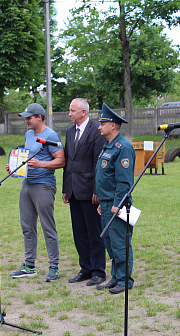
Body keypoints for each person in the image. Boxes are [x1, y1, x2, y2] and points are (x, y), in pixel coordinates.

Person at [7, 103, 65, 282]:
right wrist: (15, 167)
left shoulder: (51, 135)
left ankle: (53, 266)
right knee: (27, 227)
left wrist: (41, 164)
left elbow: (61, 161)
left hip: (44, 185)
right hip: (27, 185)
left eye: (29, 118)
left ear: (39, 117)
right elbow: (26, 158)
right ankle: (29, 265)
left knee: (48, 227)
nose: (26, 121)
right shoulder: (28, 135)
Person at [62, 98, 106, 286]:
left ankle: (98, 271)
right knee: (79, 232)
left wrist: (97, 189)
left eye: (72, 111)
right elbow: (67, 161)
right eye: (70, 111)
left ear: (83, 112)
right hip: (73, 190)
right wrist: (66, 187)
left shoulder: (97, 131)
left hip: (89, 190)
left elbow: (99, 162)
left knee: (94, 232)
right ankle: (85, 268)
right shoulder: (70, 131)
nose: (69, 114)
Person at [95, 103, 135, 294]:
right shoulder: (108, 146)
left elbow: (124, 182)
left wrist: (116, 205)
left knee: (120, 242)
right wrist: (103, 202)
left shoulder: (123, 147)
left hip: (118, 204)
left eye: (103, 123)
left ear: (113, 126)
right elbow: (104, 176)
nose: (99, 126)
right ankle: (116, 277)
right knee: (110, 242)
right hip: (106, 203)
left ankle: (125, 279)